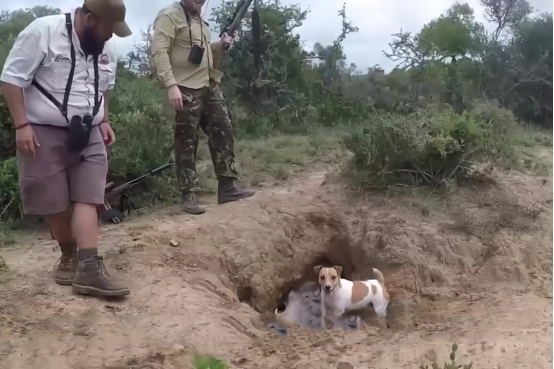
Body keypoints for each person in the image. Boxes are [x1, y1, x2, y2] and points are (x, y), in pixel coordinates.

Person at [0, 0, 132, 297]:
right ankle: (68, 251)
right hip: (41, 130)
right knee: (53, 203)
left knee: (90, 197)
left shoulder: (105, 47)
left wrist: (105, 119)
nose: (110, 36)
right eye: (107, 29)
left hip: (90, 131)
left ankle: (89, 268)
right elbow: (11, 79)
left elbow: (104, 86)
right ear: (87, 19)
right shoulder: (43, 31)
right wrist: (21, 125)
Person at [151, 0, 256, 215]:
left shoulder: (201, 21)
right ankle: (188, 194)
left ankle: (227, 186)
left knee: (223, 131)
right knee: (187, 141)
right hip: (185, 88)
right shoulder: (169, 16)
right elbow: (159, 52)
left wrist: (221, 45)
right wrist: (171, 86)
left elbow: (205, 54)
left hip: (209, 85)